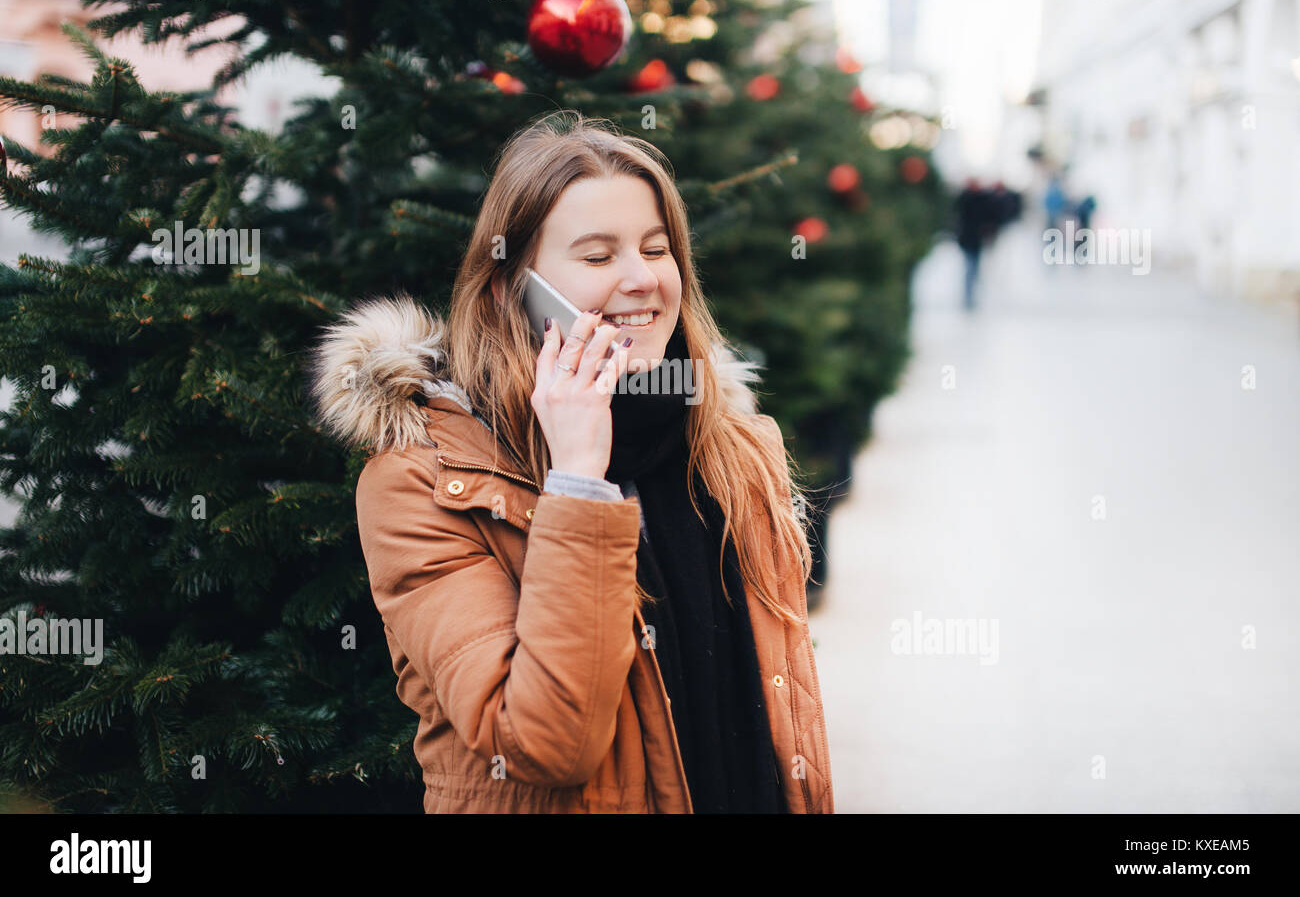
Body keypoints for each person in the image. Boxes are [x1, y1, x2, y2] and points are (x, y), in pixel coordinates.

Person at [308, 109, 834, 813]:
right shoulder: (423, 486)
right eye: (597, 256)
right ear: (510, 291)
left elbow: (786, 715)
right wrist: (580, 480)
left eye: (656, 249)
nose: (642, 279)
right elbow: (547, 743)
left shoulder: (732, 450)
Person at [954, 177, 990, 310]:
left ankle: (971, 293)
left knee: (974, 267)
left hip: (976, 239)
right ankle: (968, 295)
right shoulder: (964, 198)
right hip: (968, 239)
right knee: (970, 267)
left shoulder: (982, 198)